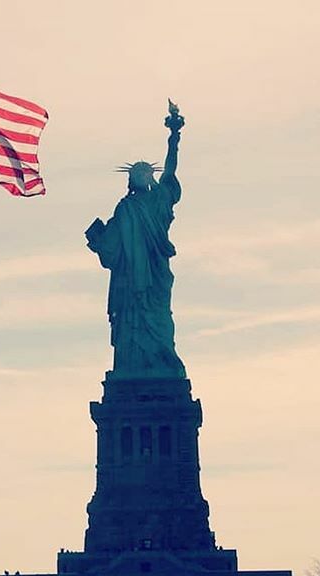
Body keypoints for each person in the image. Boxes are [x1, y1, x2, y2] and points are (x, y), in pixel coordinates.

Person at [85, 101, 187, 380]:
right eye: (138, 174)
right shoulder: (125, 209)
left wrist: (174, 138)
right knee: (131, 324)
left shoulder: (158, 201)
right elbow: (112, 248)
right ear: (132, 180)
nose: (143, 176)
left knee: (160, 321)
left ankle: (163, 363)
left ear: (151, 178)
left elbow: (171, 172)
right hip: (130, 281)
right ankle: (130, 368)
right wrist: (98, 239)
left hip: (153, 274)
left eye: (147, 173)